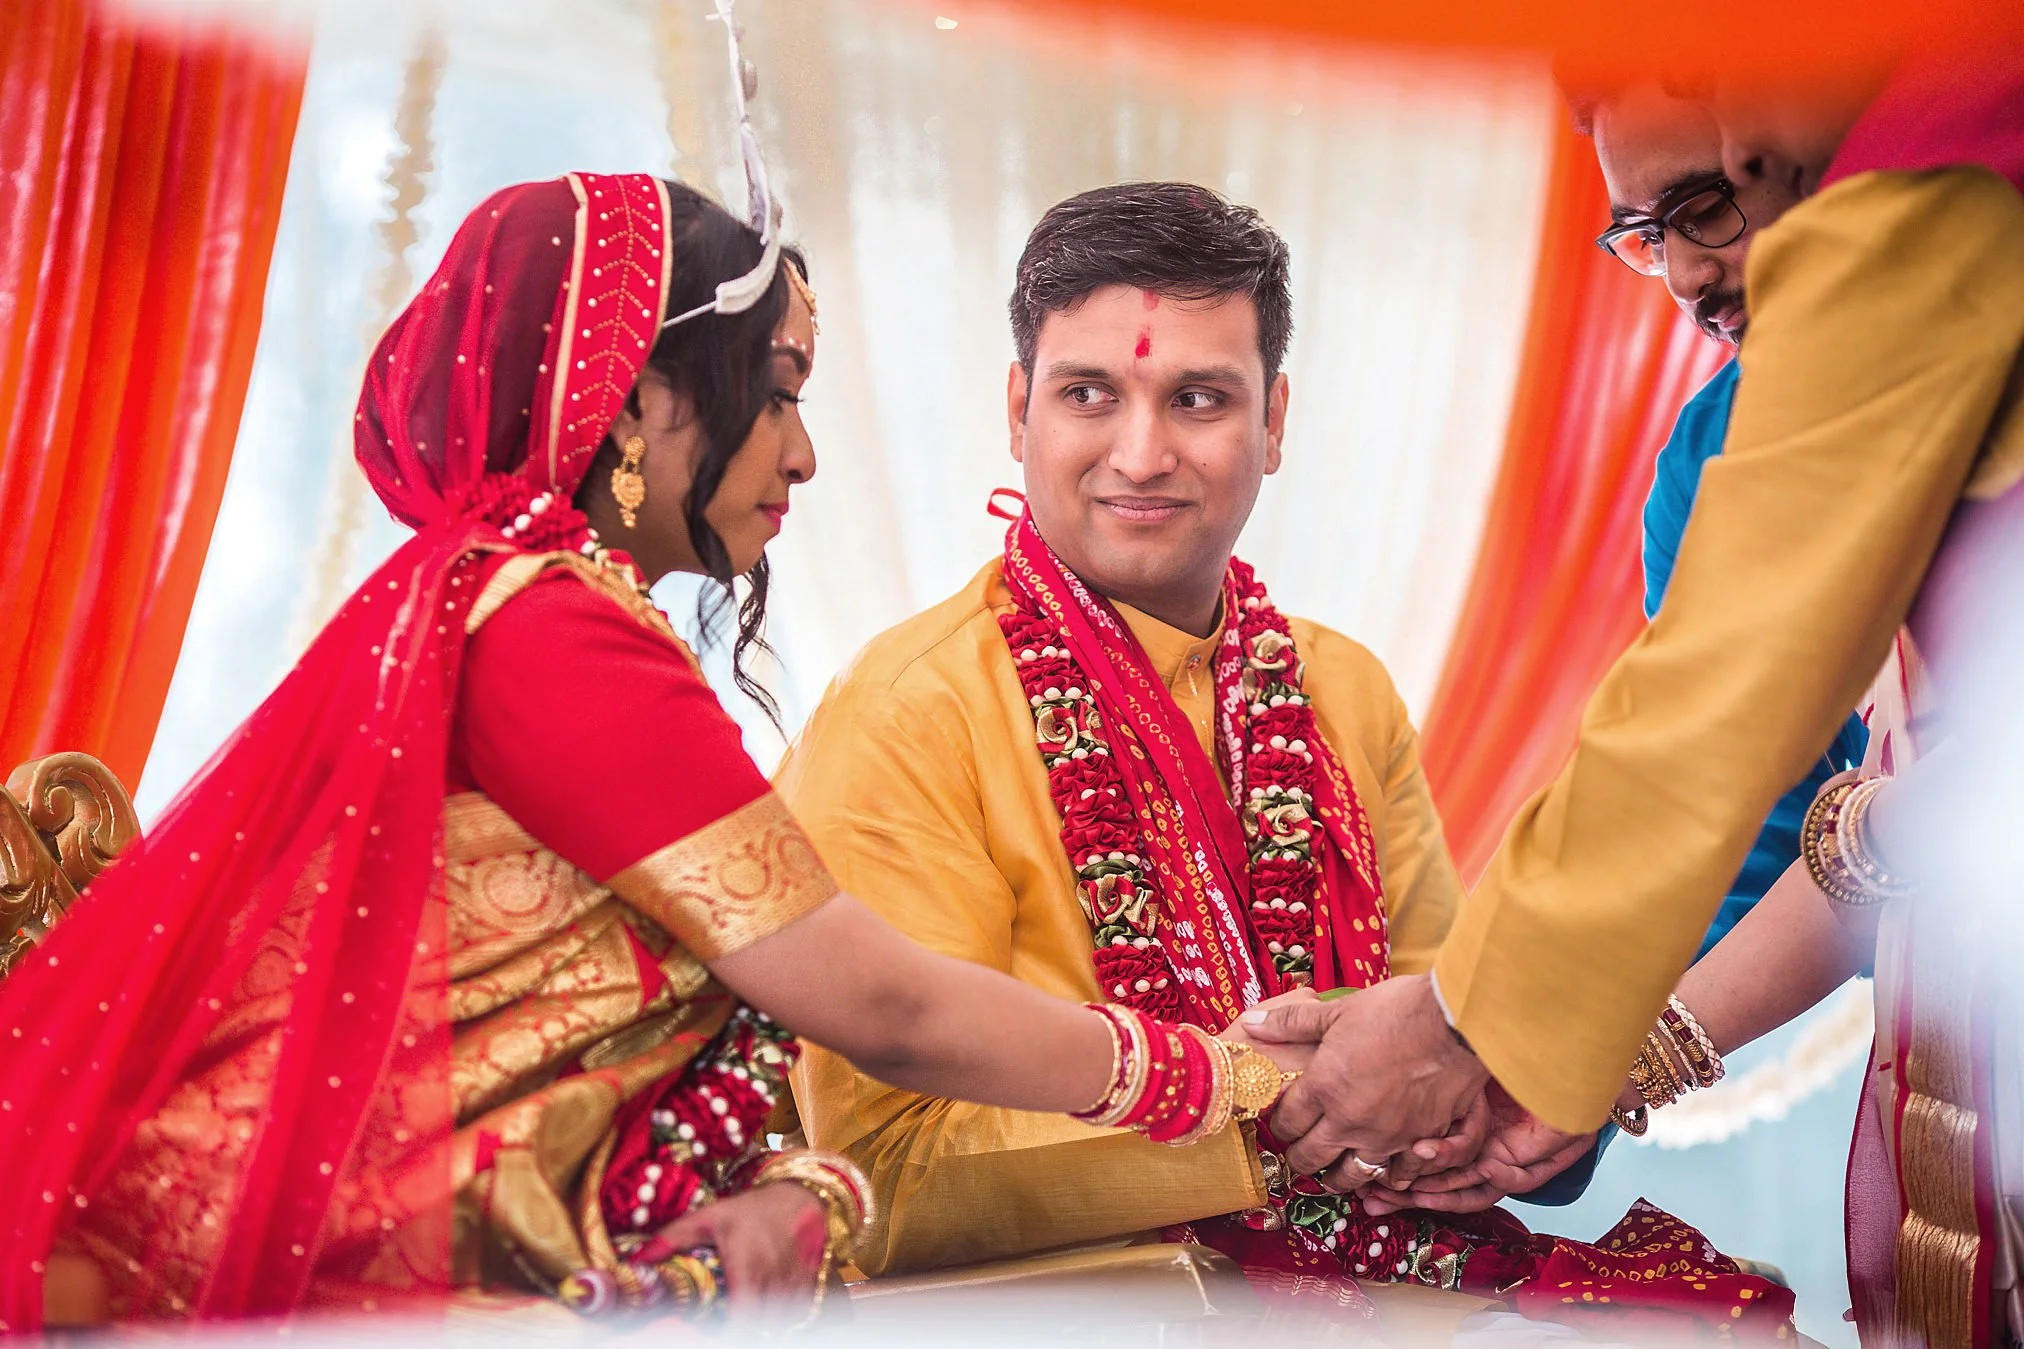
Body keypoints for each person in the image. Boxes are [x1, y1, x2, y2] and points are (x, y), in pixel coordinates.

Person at [0, 171, 1316, 1333]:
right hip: (338, 1279)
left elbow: (718, 1080)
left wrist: (807, 1195)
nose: (801, 455)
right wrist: (1229, 1073)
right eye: (779, 394)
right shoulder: (548, 633)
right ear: (639, 404)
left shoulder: (503, 604)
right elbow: (883, 1010)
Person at [777, 181, 1793, 1339]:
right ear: (1019, 412)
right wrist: (1268, 1105)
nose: (1141, 451)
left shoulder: (1338, 687)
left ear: (1273, 421)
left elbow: (1443, 1031)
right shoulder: (911, 714)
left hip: (1391, 1275)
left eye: (1198, 396)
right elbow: (887, 1180)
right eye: (1087, 394)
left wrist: (1471, 1087)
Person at [1256, 50, 2024, 1349]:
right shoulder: (1716, 439)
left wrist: (1482, 1026)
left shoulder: (1953, 159)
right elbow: (1794, 817)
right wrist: (1558, 1063)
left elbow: (1723, 713)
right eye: (1643, 230)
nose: (1690, 265)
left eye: (1716, 189)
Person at [1582, 78, 1866, 958]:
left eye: (1703, 207)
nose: (1683, 276)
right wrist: (1515, 1061)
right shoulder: (1703, 468)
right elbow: (1738, 818)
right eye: (1645, 238)